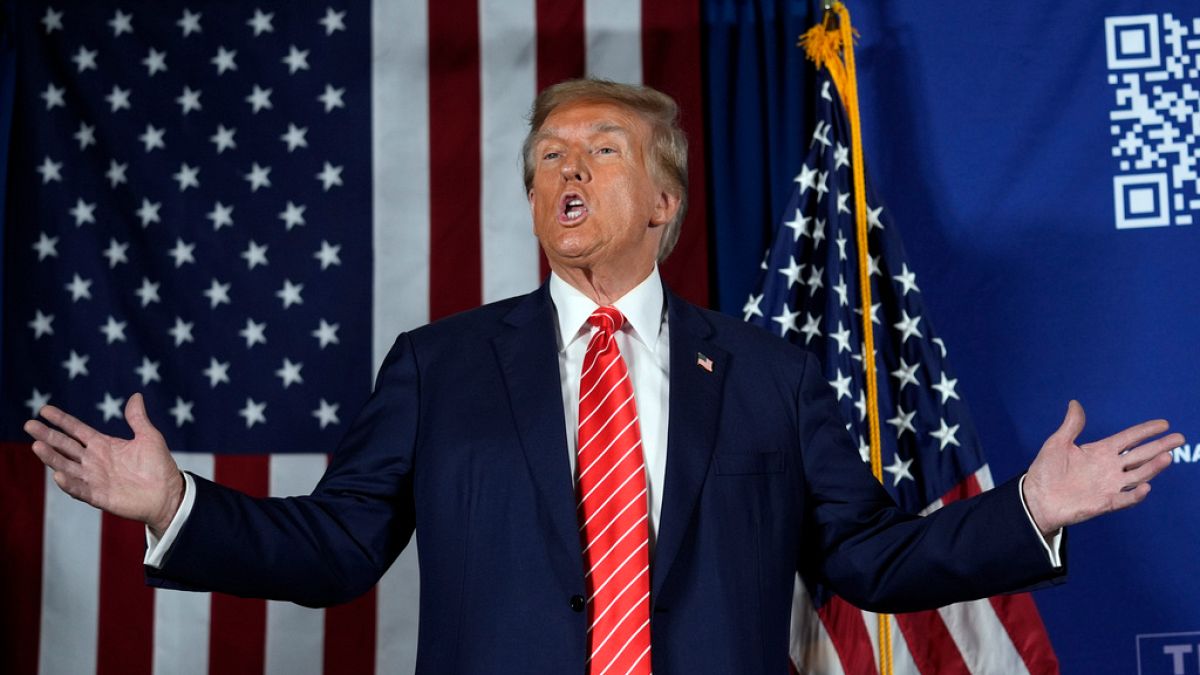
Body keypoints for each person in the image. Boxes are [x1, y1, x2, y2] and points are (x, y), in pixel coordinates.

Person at [24, 79, 1182, 675]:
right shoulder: (442, 368)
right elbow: (334, 547)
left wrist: (1028, 512)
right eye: (547, 160)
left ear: (665, 205)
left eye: (600, 152)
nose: (565, 171)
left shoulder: (770, 374)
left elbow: (870, 558)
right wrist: (175, 507)